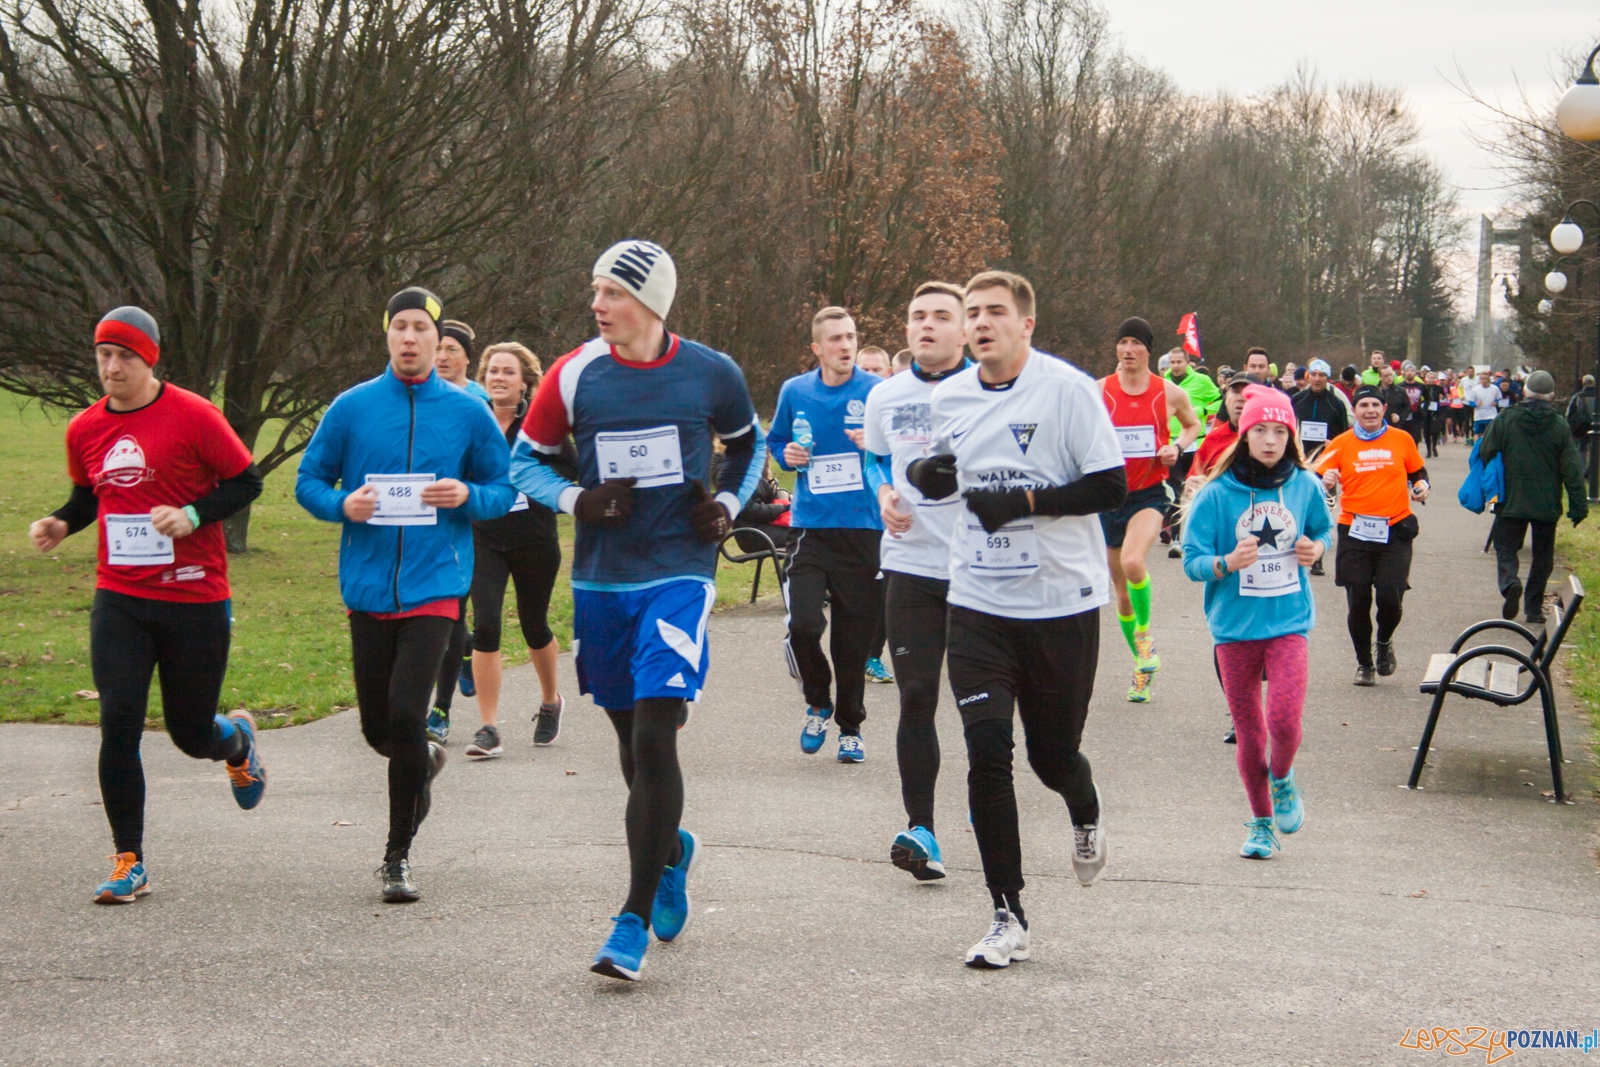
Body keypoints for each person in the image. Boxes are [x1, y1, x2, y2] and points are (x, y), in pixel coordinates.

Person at [511, 240, 765, 981]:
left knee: (656, 735)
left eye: (612, 293)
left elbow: (750, 449)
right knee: (630, 742)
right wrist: (576, 498)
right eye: (594, 291)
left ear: (651, 302)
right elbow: (523, 458)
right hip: (602, 580)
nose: (598, 305)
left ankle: (628, 920)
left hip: (679, 575)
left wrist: (723, 504)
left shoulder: (710, 372)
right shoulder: (574, 372)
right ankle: (672, 848)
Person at [906, 269, 1125, 968]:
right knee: (986, 751)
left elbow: (1110, 485)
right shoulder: (951, 396)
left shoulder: (1068, 390)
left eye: (995, 312)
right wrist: (927, 478)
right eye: (973, 312)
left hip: (1061, 602)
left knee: (1051, 755)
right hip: (978, 600)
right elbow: (929, 470)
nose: (980, 323)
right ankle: (1008, 912)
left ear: (1026, 323)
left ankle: (1084, 811)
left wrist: (1028, 503)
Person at [31, 306, 266, 905]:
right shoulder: (84, 429)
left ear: (149, 360)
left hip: (194, 595)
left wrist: (190, 515)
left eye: (124, 356)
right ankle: (129, 859)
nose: (112, 367)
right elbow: (89, 496)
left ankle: (235, 742)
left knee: (190, 733)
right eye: (104, 354)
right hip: (121, 597)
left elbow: (247, 481)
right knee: (119, 719)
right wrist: (63, 521)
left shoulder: (193, 415)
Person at [296, 286, 514, 903]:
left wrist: (468, 496)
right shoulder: (353, 407)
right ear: (387, 335)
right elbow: (308, 480)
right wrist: (343, 504)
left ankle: (397, 857)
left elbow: (503, 486)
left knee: (406, 711)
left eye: (422, 328)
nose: (411, 338)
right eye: (401, 327)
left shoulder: (468, 412)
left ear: (437, 339)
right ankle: (421, 759)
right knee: (378, 730)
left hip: (436, 586)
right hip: (367, 588)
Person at [1182, 386, 1330, 859]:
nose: (1270, 440)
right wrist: (1226, 562)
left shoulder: (1305, 486)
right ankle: (1262, 822)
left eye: (1280, 431)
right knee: (1250, 733)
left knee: (1284, 721)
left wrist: (1318, 548)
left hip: (1289, 623)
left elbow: (1325, 528)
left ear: (1291, 436)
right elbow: (1191, 561)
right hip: (1234, 630)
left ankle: (1283, 778)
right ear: (1244, 435)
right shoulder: (1217, 494)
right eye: (1260, 430)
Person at [863, 280, 969, 882]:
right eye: (915, 316)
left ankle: (990, 805)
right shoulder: (886, 395)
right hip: (908, 563)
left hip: (980, 569)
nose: (925, 325)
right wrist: (882, 490)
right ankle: (921, 828)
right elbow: (876, 456)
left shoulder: (988, 391)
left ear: (963, 328)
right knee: (916, 696)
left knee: (983, 704)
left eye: (939, 316)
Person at [768, 307, 885, 762]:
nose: (845, 345)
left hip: (862, 528)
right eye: (835, 339)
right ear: (817, 348)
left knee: (852, 643)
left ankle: (850, 728)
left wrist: (873, 447)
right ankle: (818, 699)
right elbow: (775, 443)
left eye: (851, 337)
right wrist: (789, 454)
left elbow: (898, 449)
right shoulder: (795, 391)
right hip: (811, 527)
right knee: (803, 624)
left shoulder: (876, 391)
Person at [462, 342, 568, 758]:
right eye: (493, 372)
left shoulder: (540, 428)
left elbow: (569, 471)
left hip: (534, 537)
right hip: (483, 534)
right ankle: (488, 727)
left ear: (525, 383)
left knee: (534, 625)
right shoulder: (473, 421)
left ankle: (550, 701)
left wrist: (530, 477)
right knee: (486, 625)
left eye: (508, 372)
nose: (499, 378)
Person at [1098, 316, 1202, 702]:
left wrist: (1177, 445)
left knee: (1133, 563)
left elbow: (1193, 425)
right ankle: (1142, 664)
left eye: (1135, 344)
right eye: (1122, 343)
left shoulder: (1168, 393)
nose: (1127, 350)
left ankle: (1144, 637)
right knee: (1121, 593)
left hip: (1148, 493)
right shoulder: (1099, 391)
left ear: (1147, 350)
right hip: (1109, 497)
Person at [1315, 385, 1429, 686]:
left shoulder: (1401, 439)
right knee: (1358, 600)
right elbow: (1316, 477)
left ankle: (1384, 641)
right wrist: (1326, 479)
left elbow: (1418, 472)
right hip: (1354, 530)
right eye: (1363, 405)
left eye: (1375, 405)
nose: (1370, 411)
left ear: (1383, 408)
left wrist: (1421, 487)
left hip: (1395, 528)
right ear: (1355, 410)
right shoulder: (1341, 443)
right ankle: (1364, 664)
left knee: (1391, 597)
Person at [1480, 370, 1588, 625]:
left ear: (1525, 391)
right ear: (1551, 395)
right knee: (1542, 556)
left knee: (1505, 547)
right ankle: (1533, 609)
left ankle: (1510, 583)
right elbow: (1572, 468)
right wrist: (1578, 505)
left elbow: (1486, 450)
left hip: (1510, 499)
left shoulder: (1506, 419)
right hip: (1546, 502)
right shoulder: (1560, 425)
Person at [426, 318, 490, 743]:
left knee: (452, 616)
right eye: (438, 348)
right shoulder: (419, 397)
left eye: (452, 349)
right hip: (419, 526)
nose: (443, 357)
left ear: (467, 356)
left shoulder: (478, 403)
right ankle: (467, 646)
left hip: (467, 526)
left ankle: (440, 710)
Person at [1162, 346, 1222, 558]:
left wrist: (1201, 411)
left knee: (1202, 491)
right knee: (1177, 490)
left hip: (1197, 444)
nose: (1175, 366)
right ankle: (1176, 539)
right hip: (1173, 444)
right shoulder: (1163, 383)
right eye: (1172, 362)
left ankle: (1205, 537)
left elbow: (1219, 401)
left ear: (1187, 362)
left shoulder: (1202, 381)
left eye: (1179, 361)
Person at [1564, 373, 1596, 452]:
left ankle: (1582, 463)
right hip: (1597, 426)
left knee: (1581, 448)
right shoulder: (1598, 396)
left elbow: (1569, 414)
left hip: (1582, 427)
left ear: (1583, 383)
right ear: (1594, 383)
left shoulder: (1577, 397)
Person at [1467, 369, 1500, 440]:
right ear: (1480, 379)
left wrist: (1496, 402)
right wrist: (1476, 404)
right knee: (1479, 433)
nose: (1484, 380)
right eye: (1483, 379)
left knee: (1491, 432)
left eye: (1486, 379)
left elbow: (1499, 399)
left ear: (1489, 379)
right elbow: (1470, 402)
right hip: (1479, 414)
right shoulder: (1475, 390)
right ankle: (1481, 446)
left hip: (1491, 413)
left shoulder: (1495, 388)